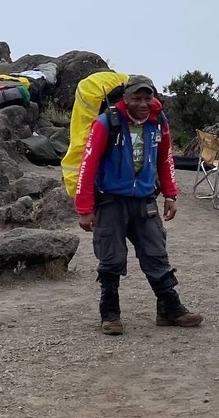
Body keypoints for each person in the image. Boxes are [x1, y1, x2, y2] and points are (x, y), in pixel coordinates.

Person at [75, 74, 203, 335]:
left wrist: (171, 194)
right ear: (126, 98)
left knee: (156, 254)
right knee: (111, 259)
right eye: (137, 98)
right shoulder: (106, 123)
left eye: (148, 98)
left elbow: (165, 158)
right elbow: (88, 165)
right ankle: (110, 315)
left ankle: (169, 309)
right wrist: (84, 209)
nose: (143, 103)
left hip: (145, 200)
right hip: (110, 201)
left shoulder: (159, 122)